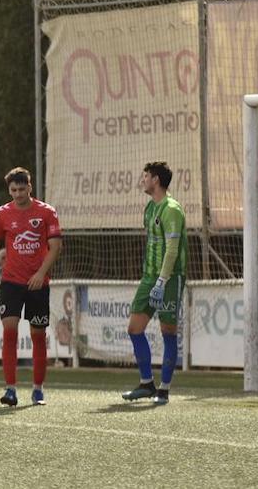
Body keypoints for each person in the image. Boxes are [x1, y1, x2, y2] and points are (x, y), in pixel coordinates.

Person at [0, 167, 62, 407]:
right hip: (11, 281)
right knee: (9, 331)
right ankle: (10, 389)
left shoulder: (46, 212)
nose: (18, 194)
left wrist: (41, 273)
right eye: (13, 190)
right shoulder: (2, 214)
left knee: (38, 335)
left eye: (22, 189)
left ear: (30, 187)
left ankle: (38, 389)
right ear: (9, 190)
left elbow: (55, 247)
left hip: (38, 283)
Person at [121, 162, 187, 406]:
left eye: (146, 176)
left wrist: (162, 281)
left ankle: (164, 389)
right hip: (149, 277)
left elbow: (171, 250)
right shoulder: (149, 208)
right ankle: (147, 383)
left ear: (156, 180)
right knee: (134, 328)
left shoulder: (172, 209)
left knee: (168, 332)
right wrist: (151, 280)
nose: (143, 180)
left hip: (169, 279)